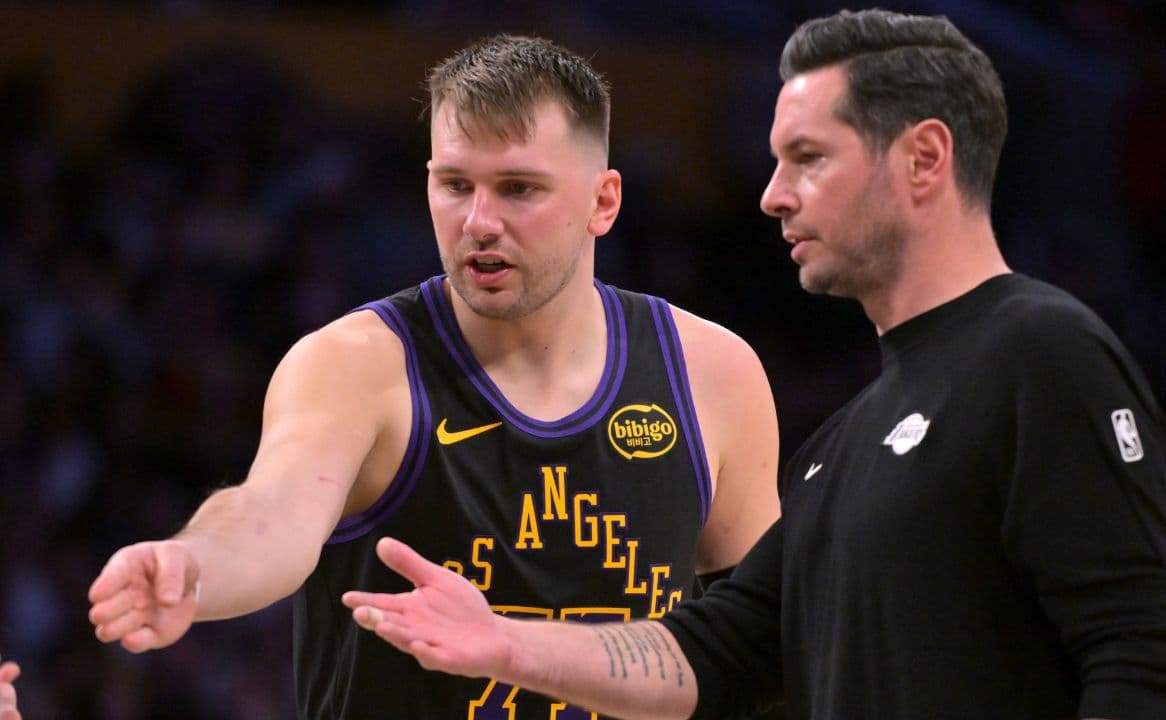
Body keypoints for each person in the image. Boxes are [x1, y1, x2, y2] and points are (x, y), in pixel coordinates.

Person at [338, 9, 1166, 720]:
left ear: (924, 159)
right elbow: (717, 652)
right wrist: (503, 645)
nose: (774, 194)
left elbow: (1132, 658)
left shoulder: (1040, 352)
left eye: (808, 158)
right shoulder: (845, 440)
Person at [87, 34, 780, 718]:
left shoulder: (711, 372)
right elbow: (269, 514)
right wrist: (194, 566)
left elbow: (759, 640)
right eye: (455, 185)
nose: (479, 221)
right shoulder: (356, 365)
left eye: (518, 188)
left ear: (603, 202)